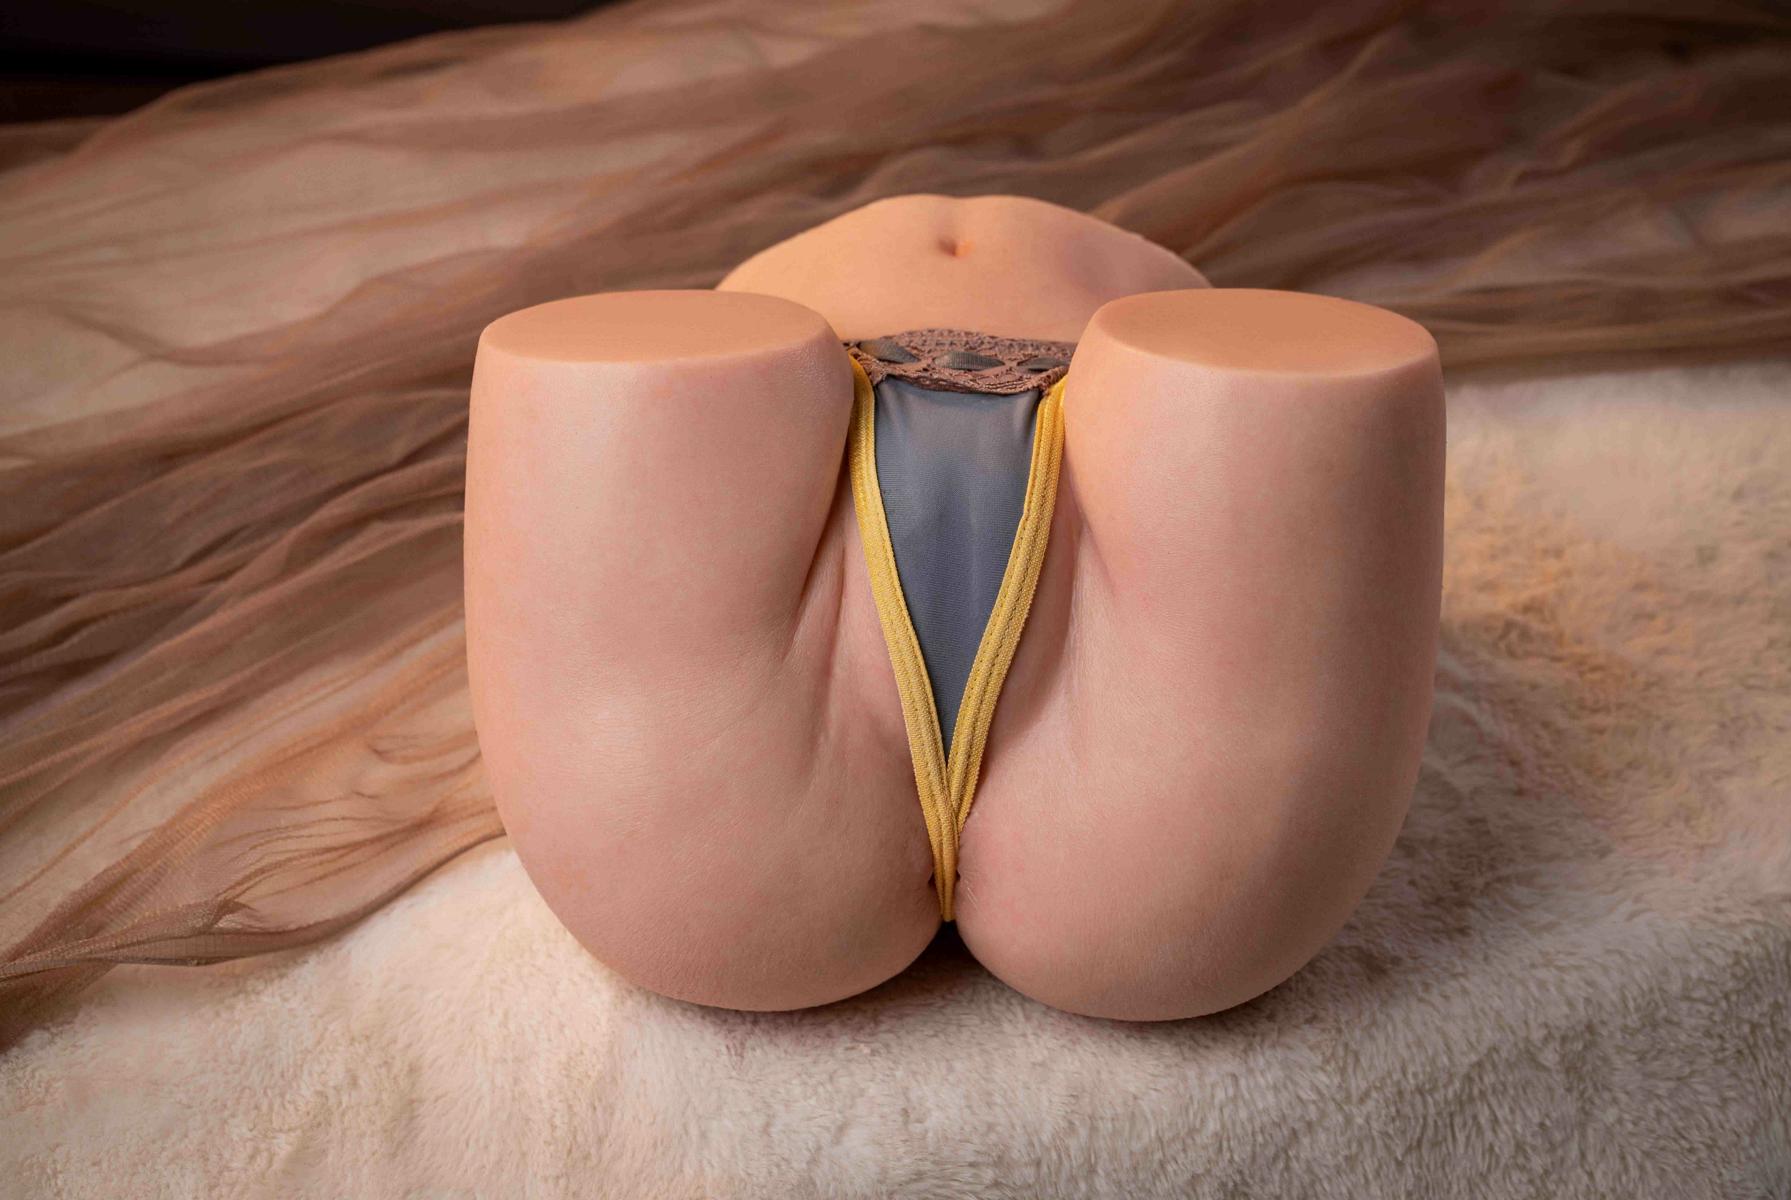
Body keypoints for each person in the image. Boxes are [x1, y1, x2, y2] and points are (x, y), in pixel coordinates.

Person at [464, 193, 1444, 1021]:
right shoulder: (1153, 279)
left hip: (735, 405)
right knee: (1308, 375)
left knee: (599, 363)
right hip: (1181, 424)